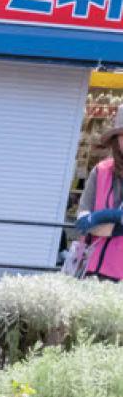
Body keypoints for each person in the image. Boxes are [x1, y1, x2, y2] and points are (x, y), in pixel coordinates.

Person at [75, 105, 123, 280]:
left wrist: (100, 217)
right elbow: (81, 220)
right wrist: (114, 219)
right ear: (116, 139)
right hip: (90, 267)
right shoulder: (101, 170)